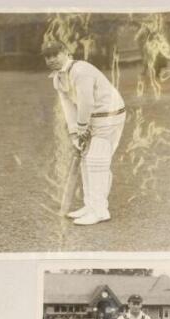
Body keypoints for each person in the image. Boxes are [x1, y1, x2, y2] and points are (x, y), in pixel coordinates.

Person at [41, 40, 126, 225]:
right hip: (91, 117)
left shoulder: (80, 71)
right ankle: (91, 206)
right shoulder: (58, 79)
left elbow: (86, 101)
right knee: (86, 161)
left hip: (109, 114)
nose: (52, 59)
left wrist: (82, 127)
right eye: (48, 56)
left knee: (97, 160)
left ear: (66, 52)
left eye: (56, 54)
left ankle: (101, 211)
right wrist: (74, 133)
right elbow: (69, 107)